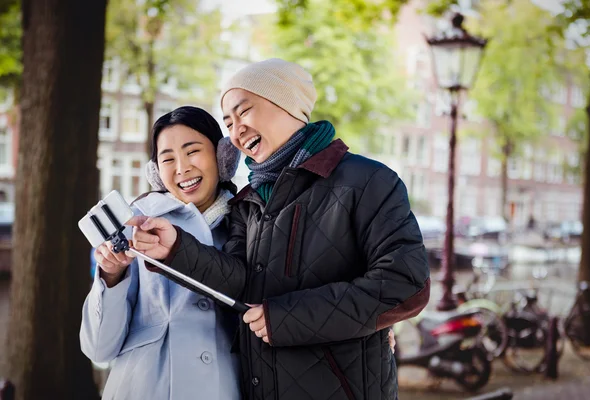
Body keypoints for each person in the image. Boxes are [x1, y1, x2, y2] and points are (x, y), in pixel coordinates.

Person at [130, 58, 430, 400]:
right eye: (228, 121)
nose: (236, 129)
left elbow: (406, 286)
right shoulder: (249, 201)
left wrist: (286, 319)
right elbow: (241, 282)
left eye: (244, 112)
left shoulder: (369, 181)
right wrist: (175, 249)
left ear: (286, 104)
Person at [79, 106, 242, 400]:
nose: (182, 168)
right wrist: (112, 278)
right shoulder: (136, 225)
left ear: (223, 157)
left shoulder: (249, 224)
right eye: (168, 158)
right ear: (156, 171)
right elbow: (98, 349)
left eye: (192, 151)